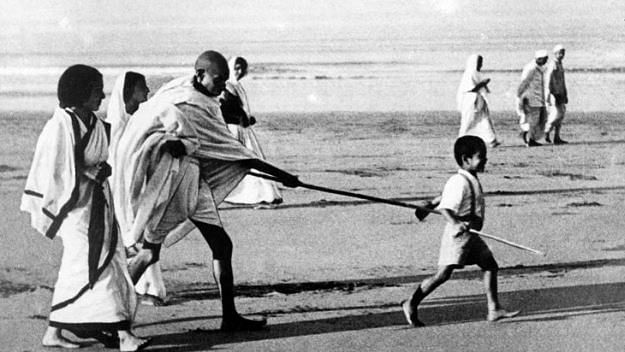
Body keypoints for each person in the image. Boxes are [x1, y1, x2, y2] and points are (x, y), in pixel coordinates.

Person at [114, 50, 301, 331]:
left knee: (222, 245)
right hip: (171, 187)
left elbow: (222, 147)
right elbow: (237, 153)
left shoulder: (192, 93)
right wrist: (284, 176)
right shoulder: (188, 102)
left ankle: (230, 317)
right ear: (200, 74)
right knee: (149, 254)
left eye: (226, 80)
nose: (223, 86)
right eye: (218, 79)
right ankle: (107, 310)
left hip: (194, 181)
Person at [20, 65, 149, 351]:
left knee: (92, 263)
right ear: (79, 92)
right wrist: (92, 173)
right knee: (95, 264)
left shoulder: (93, 122)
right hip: (75, 208)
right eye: (95, 89)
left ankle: (54, 331)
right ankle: (123, 335)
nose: (101, 96)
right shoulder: (61, 124)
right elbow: (56, 168)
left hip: (97, 203)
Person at [402, 135, 520, 326]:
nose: (485, 160)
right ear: (466, 159)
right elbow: (446, 208)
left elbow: (443, 198)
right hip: (458, 236)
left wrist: (431, 203)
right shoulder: (459, 181)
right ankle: (411, 303)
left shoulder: (468, 178)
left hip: (472, 235)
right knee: (442, 275)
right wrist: (456, 223)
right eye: (481, 156)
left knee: (490, 265)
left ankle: (494, 309)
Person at [107, 71, 167, 306]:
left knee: (143, 235)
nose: (147, 92)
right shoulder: (114, 126)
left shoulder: (141, 121)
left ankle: (145, 286)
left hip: (136, 188)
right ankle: (139, 289)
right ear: (129, 92)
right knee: (135, 240)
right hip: (117, 191)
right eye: (143, 87)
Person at [221, 56, 283, 207]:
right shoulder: (226, 87)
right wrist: (242, 118)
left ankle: (260, 194)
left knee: (251, 160)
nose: (239, 71)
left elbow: (239, 109)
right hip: (234, 130)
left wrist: (247, 117)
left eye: (242, 68)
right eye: (236, 68)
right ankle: (255, 195)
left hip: (243, 129)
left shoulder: (236, 86)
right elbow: (222, 110)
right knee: (246, 161)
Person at [456, 54, 500, 148]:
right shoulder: (470, 73)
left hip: (477, 99)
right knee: (468, 120)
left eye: (481, 62)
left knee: (484, 119)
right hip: (470, 100)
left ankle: (491, 140)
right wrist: (483, 83)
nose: (481, 64)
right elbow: (471, 88)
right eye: (479, 62)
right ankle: (461, 139)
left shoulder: (476, 73)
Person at [517, 50, 549, 146]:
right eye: (544, 59)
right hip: (531, 98)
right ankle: (530, 139)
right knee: (533, 120)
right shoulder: (531, 68)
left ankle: (530, 137)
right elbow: (524, 83)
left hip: (539, 98)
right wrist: (520, 96)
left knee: (540, 119)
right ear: (538, 59)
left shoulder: (540, 68)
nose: (546, 61)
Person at [544, 45, 569, 144]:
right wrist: (549, 93)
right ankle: (546, 131)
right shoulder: (553, 64)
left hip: (560, 92)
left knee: (561, 114)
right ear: (555, 53)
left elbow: (562, 80)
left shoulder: (560, 64)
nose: (562, 54)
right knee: (556, 114)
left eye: (563, 52)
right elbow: (548, 80)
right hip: (554, 93)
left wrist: (565, 93)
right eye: (560, 52)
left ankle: (557, 137)